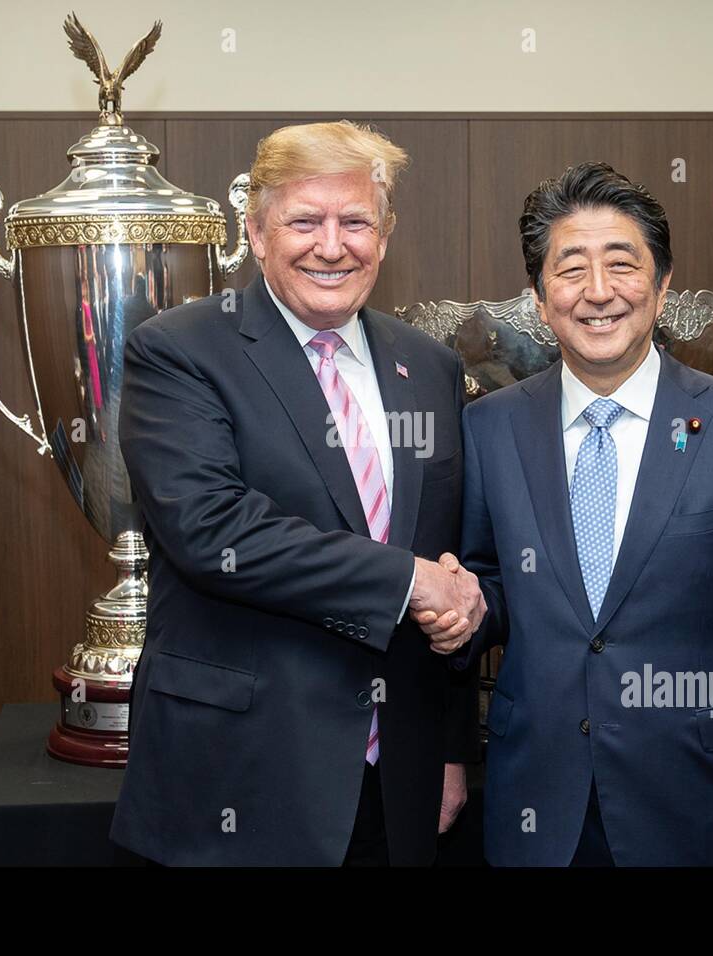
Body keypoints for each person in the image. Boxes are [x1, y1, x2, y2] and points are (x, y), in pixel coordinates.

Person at [419, 161, 713, 866]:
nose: (597, 292)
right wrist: (467, 609)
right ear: (541, 301)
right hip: (539, 794)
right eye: (570, 269)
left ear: (662, 287)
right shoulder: (490, 428)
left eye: (622, 266)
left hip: (694, 797)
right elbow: (491, 586)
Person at [109, 121, 484, 866]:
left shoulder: (430, 365)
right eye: (304, 221)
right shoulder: (179, 350)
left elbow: (452, 549)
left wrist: (446, 750)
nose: (332, 244)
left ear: (386, 231)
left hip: (396, 780)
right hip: (241, 776)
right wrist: (409, 581)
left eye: (356, 221)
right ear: (255, 229)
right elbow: (215, 530)